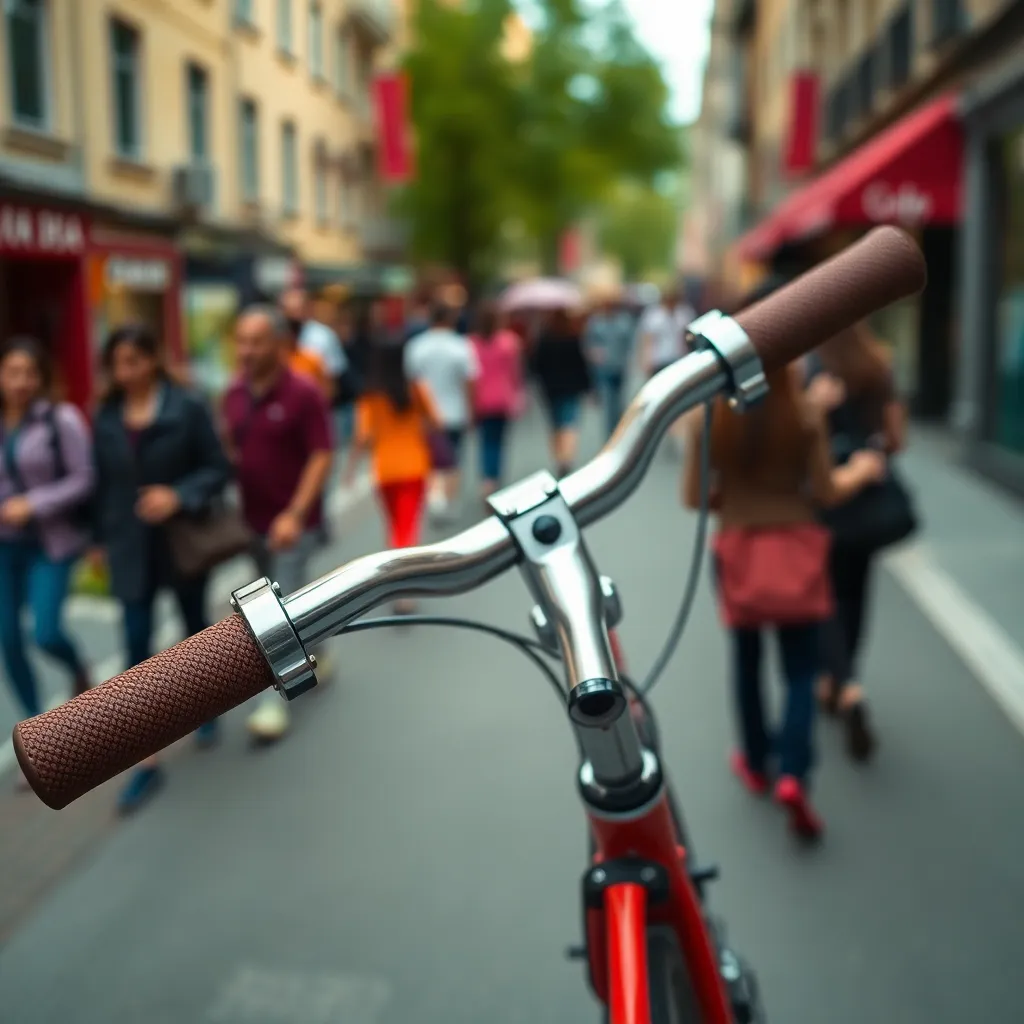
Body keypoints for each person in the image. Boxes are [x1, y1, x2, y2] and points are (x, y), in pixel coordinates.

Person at [683, 364, 887, 840]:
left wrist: (736, 502)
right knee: (800, 667)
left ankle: (756, 762)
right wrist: (859, 470)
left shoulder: (711, 415)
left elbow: (694, 495)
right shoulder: (804, 412)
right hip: (796, 546)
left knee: (747, 659)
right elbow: (826, 491)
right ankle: (794, 773)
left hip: (737, 546)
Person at [93, 325, 231, 813]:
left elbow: (217, 468)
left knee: (194, 629)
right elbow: (102, 484)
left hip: (180, 539)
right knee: (135, 643)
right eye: (117, 363)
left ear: (153, 359)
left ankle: (206, 705)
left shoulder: (186, 406)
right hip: (130, 545)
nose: (124, 372)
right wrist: (98, 540)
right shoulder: (106, 416)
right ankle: (145, 758)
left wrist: (178, 495)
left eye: (133, 360)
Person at [223, 305, 335, 743]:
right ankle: (319, 648)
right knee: (280, 598)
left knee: (271, 613)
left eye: (256, 341)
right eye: (241, 340)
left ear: (278, 344)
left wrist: (295, 512)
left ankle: (272, 701)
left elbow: (322, 454)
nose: (246, 350)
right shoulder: (233, 393)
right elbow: (232, 447)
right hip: (253, 522)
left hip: (294, 524)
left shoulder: (303, 392)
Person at [805, 322, 908, 762]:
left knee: (825, 596)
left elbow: (803, 436)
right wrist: (874, 453)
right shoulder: (877, 366)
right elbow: (897, 436)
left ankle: (840, 685)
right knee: (857, 593)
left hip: (827, 496)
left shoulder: (815, 370)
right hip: (866, 496)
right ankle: (847, 680)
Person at [0, 338, 93, 743]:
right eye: (12, 372)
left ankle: (77, 668)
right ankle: (38, 736)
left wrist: (34, 504)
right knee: (7, 639)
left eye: (29, 373)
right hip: (5, 546)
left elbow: (84, 478)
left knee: (46, 633)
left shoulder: (61, 420)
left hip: (49, 542)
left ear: (41, 377)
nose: (20, 382)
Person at [346, 338, 441, 614]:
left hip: (384, 471)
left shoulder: (369, 396)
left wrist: (350, 470)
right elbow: (437, 422)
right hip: (414, 467)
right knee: (407, 530)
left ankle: (398, 587)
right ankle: (404, 593)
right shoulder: (415, 389)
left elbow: (362, 436)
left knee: (395, 528)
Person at [404, 303, 479, 521]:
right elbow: (469, 381)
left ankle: (435, 495)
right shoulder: (461, 346)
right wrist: (472, 409)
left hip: (426, 414)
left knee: (431, 458)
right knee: (453, 459)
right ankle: (448, 498)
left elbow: (411, 383)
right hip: (455, 411)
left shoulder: (416, 346)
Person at [469, 302, 523, 502]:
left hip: (481, 400)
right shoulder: (509, 342)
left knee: (485, 441)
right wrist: (518, 395)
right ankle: (495, 477)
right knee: (499, 441)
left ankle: (487, 480)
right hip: (503, 398)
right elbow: (515, 373)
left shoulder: (471, 344)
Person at [531, 307, 592, 478]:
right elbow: (582, 365)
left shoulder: (544, 340)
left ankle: (559, 457)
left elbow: (536, 366)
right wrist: (588, 387)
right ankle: (567, 458)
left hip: (550, 389)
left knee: (555, 424)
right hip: (571, 387)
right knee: (569, 423)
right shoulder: (573, 337)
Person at [583, 289, 637, 438]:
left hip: (619, 365)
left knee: (619, 401)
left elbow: (630, 343)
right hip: (603, 367)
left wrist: (630, 359)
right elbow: (588, 342)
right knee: (608, 401)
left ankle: (618, 430)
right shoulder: (596, 322)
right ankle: (610, 434)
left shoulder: (624, 322)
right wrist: (593, 354)